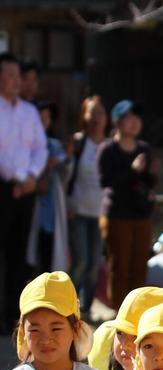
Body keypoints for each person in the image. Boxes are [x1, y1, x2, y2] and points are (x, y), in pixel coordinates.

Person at [0, 52, 48, 329]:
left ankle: (12, 317)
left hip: (26, 189)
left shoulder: (29, 111)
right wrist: (19, 178)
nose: (15, 81)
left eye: (17, 75)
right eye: (9, 75)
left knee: (18, 254)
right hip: (3, 186)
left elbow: (40, 148)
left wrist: (30, 177)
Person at [98, 100, 157, 310]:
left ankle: (138, 310)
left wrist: (150, 173)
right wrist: (132, 170)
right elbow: (106, 181)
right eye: (129, 118)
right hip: (117, 214)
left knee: (139, 266)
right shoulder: (108, 149)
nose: (134, 123)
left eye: (136, 118)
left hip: (140, 214)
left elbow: (149, 183)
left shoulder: (144, 148)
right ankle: (118, 310)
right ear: (117, 121)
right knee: (119, 266)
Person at [67, 96, 109, 315]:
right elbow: (67, 175)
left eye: (100, 112)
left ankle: (86, 308)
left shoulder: (110, 145)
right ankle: (69, 306)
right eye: (92, 112)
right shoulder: (78, 142)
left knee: (94, 264)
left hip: (101, 214)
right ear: (84, 116)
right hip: (78, 211)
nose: (96, 118)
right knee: (80, 262)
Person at [28, 100, 71, 273]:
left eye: (48, 117)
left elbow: (66, 177)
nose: (44, 120)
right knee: (30, 252)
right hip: (32, 204)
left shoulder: (55, 145)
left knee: (49, 254)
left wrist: (67, 159)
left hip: (52, 206)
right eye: (40, 116)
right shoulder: (26, 143)